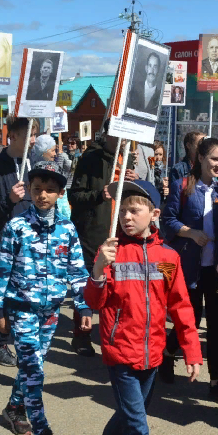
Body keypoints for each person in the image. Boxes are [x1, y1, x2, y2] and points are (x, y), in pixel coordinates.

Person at [87, 179, 202, 435]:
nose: (126, 217)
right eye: (122, 211)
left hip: (153, 352)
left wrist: (192, 350)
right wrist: (98, 270)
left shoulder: (167, 257)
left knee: (129, 415)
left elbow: (180, 305)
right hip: (120, 352)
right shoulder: (111, 253)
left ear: (154, 214)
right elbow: (94, 301)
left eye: (134, 210)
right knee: (137, 426)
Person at [0, 160, 88, 435]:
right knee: (34, 370)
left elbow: (77, 271)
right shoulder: (17, 227)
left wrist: (82, 305)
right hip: (22, 309)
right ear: (30, 190)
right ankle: (43, 434)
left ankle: (14, 407)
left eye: (50, 189)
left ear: (60, 193)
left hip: (51, 313)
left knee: (33, 366)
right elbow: (2, 270)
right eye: (37, 188)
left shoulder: (67, 229)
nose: (43, 194)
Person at [160, 137, 218, 397]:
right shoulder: (183, 186)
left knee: (216, 325)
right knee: (188, 319)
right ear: (201, 158)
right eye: (214, 158)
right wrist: (190, 232)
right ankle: (168, 353)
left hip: (214, 268)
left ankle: (215, 379)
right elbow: (167, 221)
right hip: (189, 265)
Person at [68, 120, 139, 357]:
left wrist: (135, 182)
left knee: (118, 286)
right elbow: (75, 196)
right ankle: (81, 335)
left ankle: (112, 334)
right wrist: (101, 194)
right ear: (107, 134)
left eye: (126, 135)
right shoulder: (91, 158)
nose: (123, 140)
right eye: (118, 134)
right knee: (89, 283)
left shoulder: (127, 157)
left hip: (121, 232)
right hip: (94, 232)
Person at [0, 116, 34, 367]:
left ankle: (20, 343)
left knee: (27, 293)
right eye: (28, 135)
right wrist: (9, 200)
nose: (32, 140)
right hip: (6, 240)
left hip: (31, 238)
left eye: (35, 135)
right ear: (12, 136)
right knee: (9, 293)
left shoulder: (33, 165)